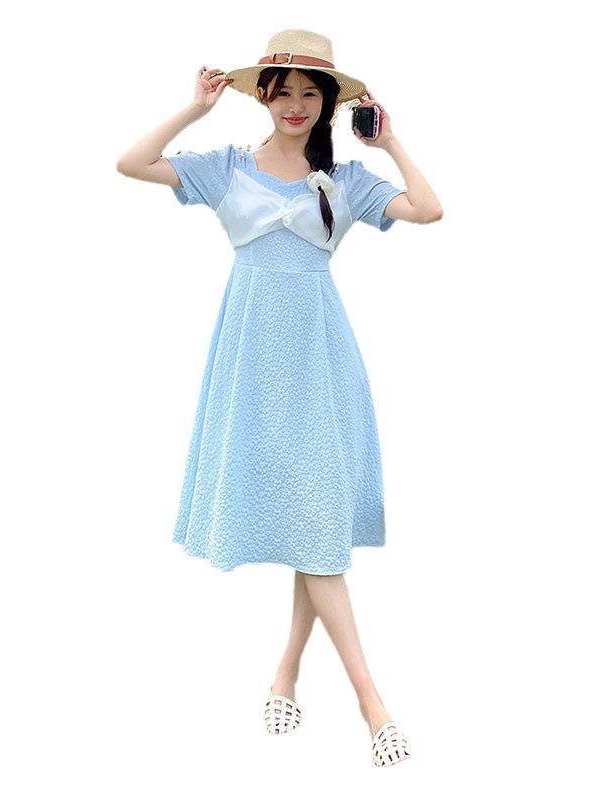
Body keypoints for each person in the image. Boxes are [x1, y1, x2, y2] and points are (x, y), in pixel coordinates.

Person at [117, 29, 442, 767]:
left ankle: (339, 693)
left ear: (328, 102)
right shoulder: (228, 167)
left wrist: (391, 144)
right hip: (253, 356)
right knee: (311, 524)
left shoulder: (346, 179)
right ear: (262, 95)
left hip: (320, 358)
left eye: (310, 93)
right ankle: (332, 690)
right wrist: (194, 110)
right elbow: (130, 163)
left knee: (315, 521)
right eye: (283, 90)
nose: (296, 105)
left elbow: (429, 209)